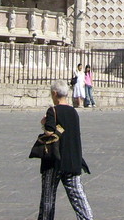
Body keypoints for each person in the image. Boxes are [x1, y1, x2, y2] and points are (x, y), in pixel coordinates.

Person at [37, 80, 93, 220]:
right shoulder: (73, 112)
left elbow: (50, 133)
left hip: (55, 161)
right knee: (78, 197)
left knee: (48, 199)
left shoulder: (53, 110)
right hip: (72, 160)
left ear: (55, 94)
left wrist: (43, 124)